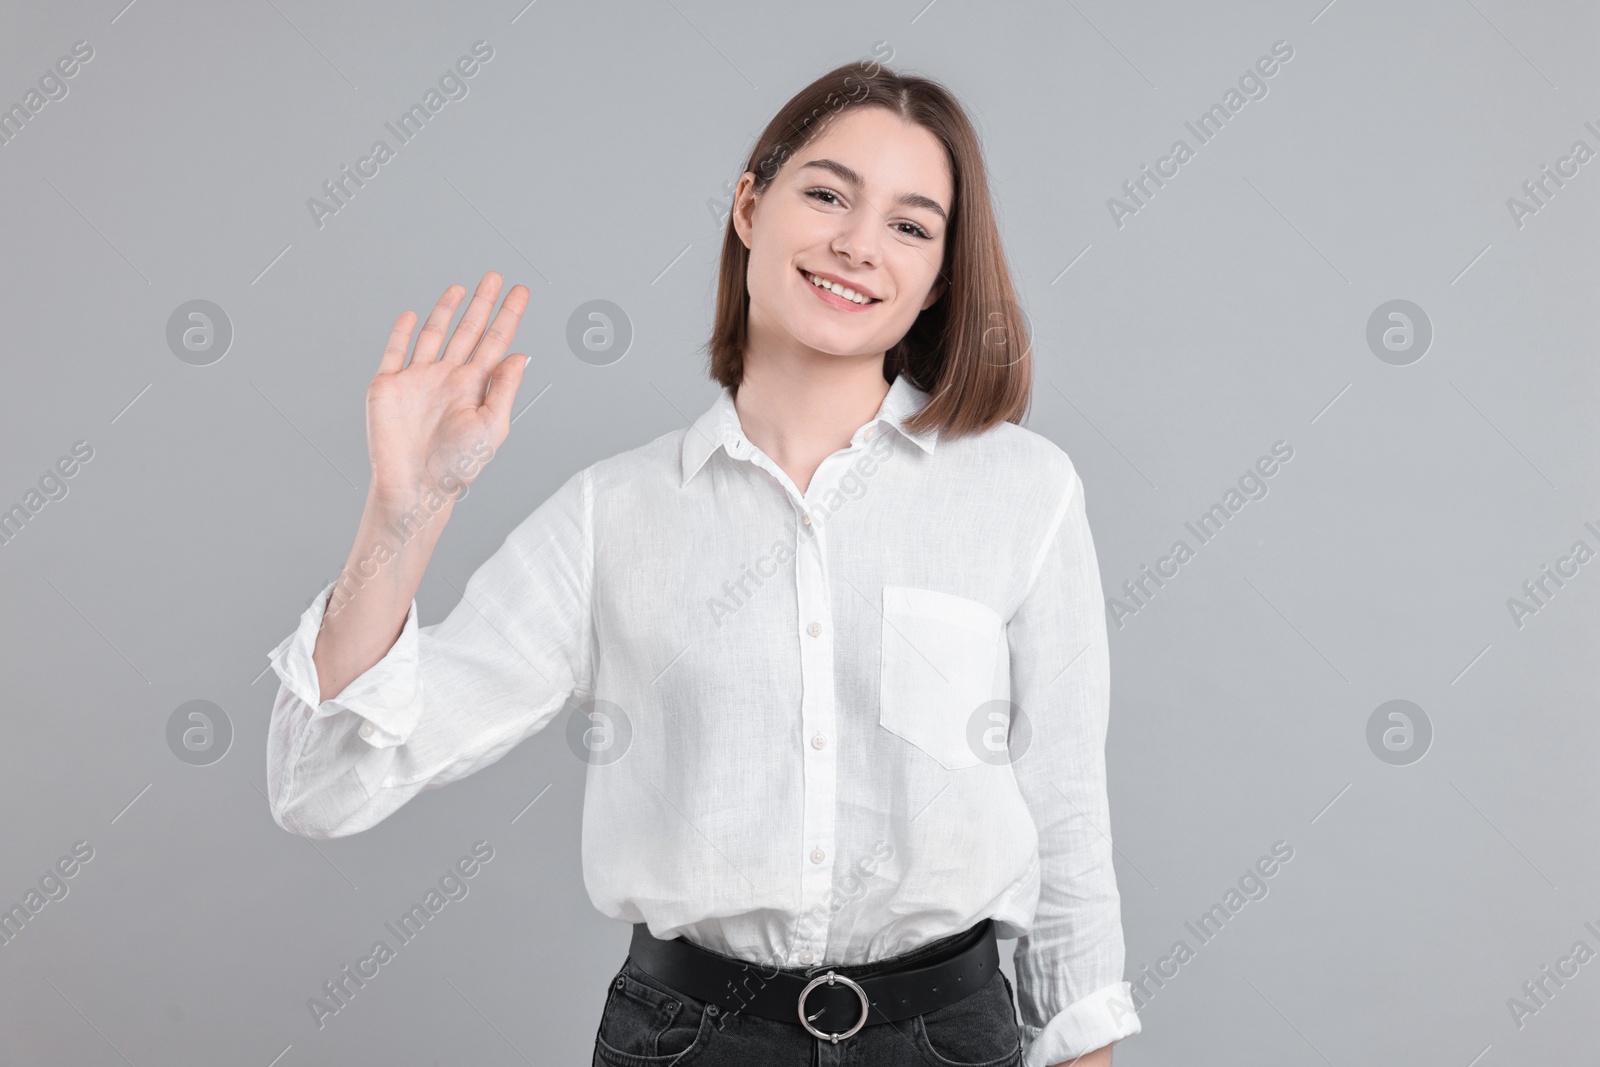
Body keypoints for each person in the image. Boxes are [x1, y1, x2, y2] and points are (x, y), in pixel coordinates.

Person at [265, 59, 1139, 1067]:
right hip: (691, 1041)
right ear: (749, 206)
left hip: (949, 1037)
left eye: (910, 224)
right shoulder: (614, 515)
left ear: (939, 274)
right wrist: (403, 510)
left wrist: (1083, 1047)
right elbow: (321, 786)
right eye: (827, 194)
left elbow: (1066, 812)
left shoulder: (1021, 488)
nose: (858, 245)